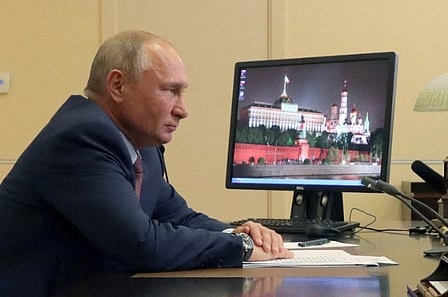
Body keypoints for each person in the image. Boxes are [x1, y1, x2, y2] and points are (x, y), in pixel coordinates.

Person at [0, 30, 292, 296]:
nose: (182, 110)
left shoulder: (140, 144)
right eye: (170, 91)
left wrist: (239, 232)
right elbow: (141, 243)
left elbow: (178, 216)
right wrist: (240, 248)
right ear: (117, 85)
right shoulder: (81, 138)